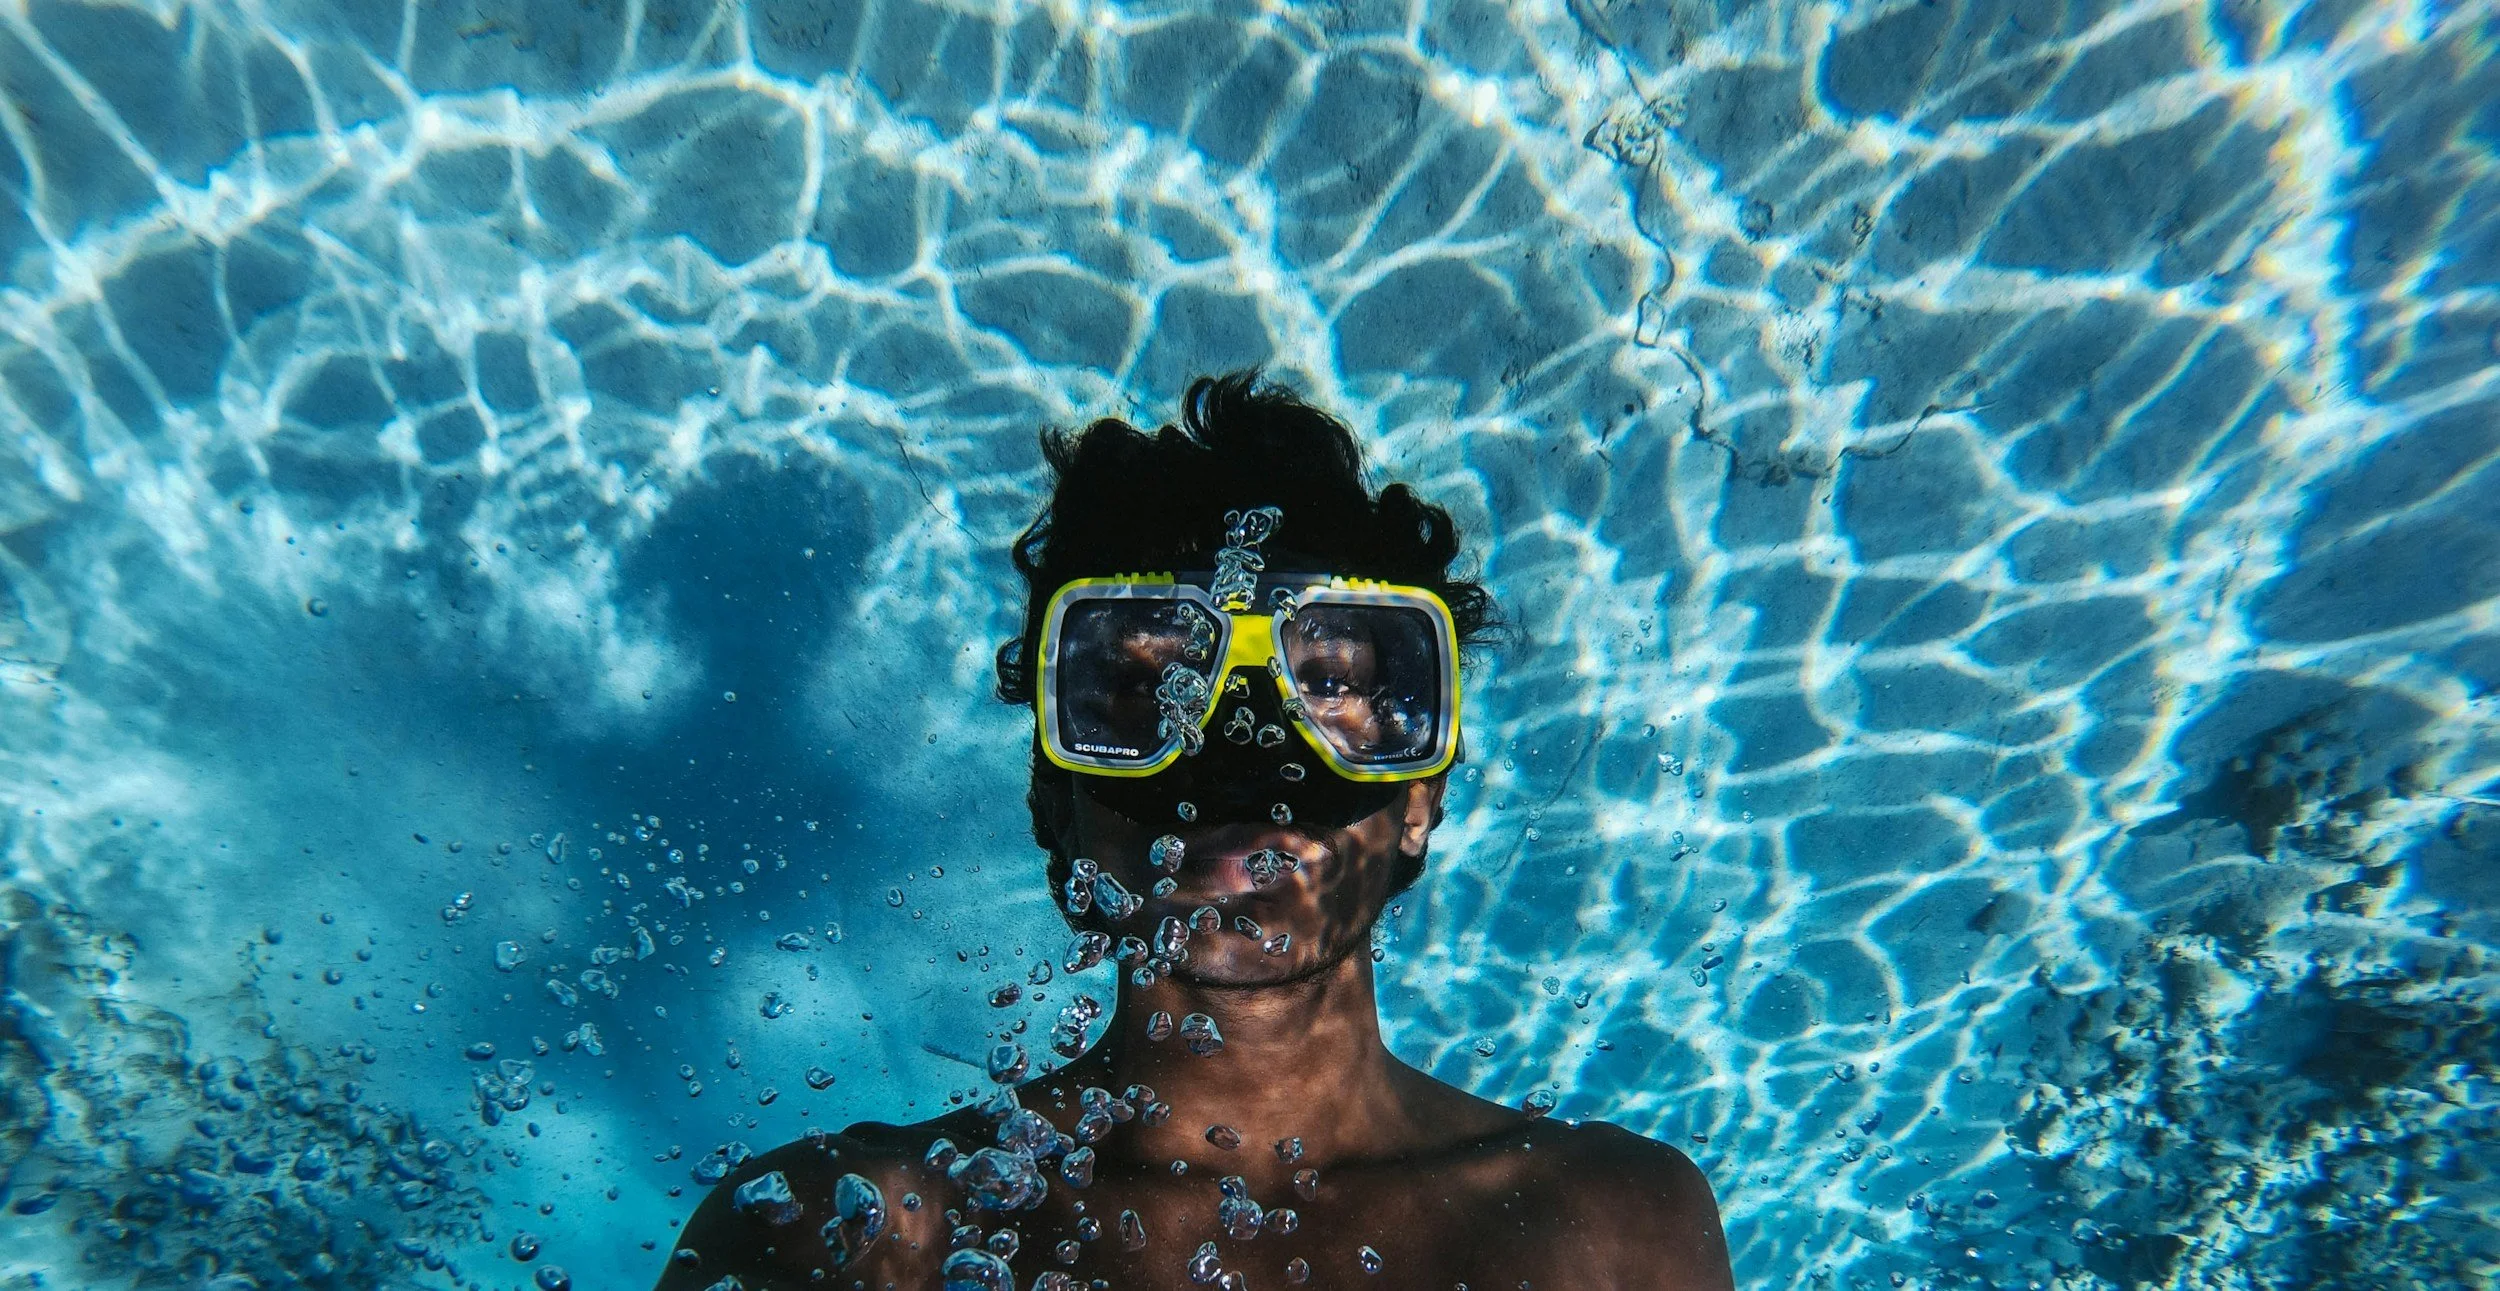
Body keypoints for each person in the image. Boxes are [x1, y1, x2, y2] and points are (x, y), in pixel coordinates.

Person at [656, 373, 1733, 1290]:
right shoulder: (851, 1232)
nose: (1239, 762)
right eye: (1144, 689)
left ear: (1419, 796)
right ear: (1053, 797)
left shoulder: (1609, 1223)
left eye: (1330, 684)